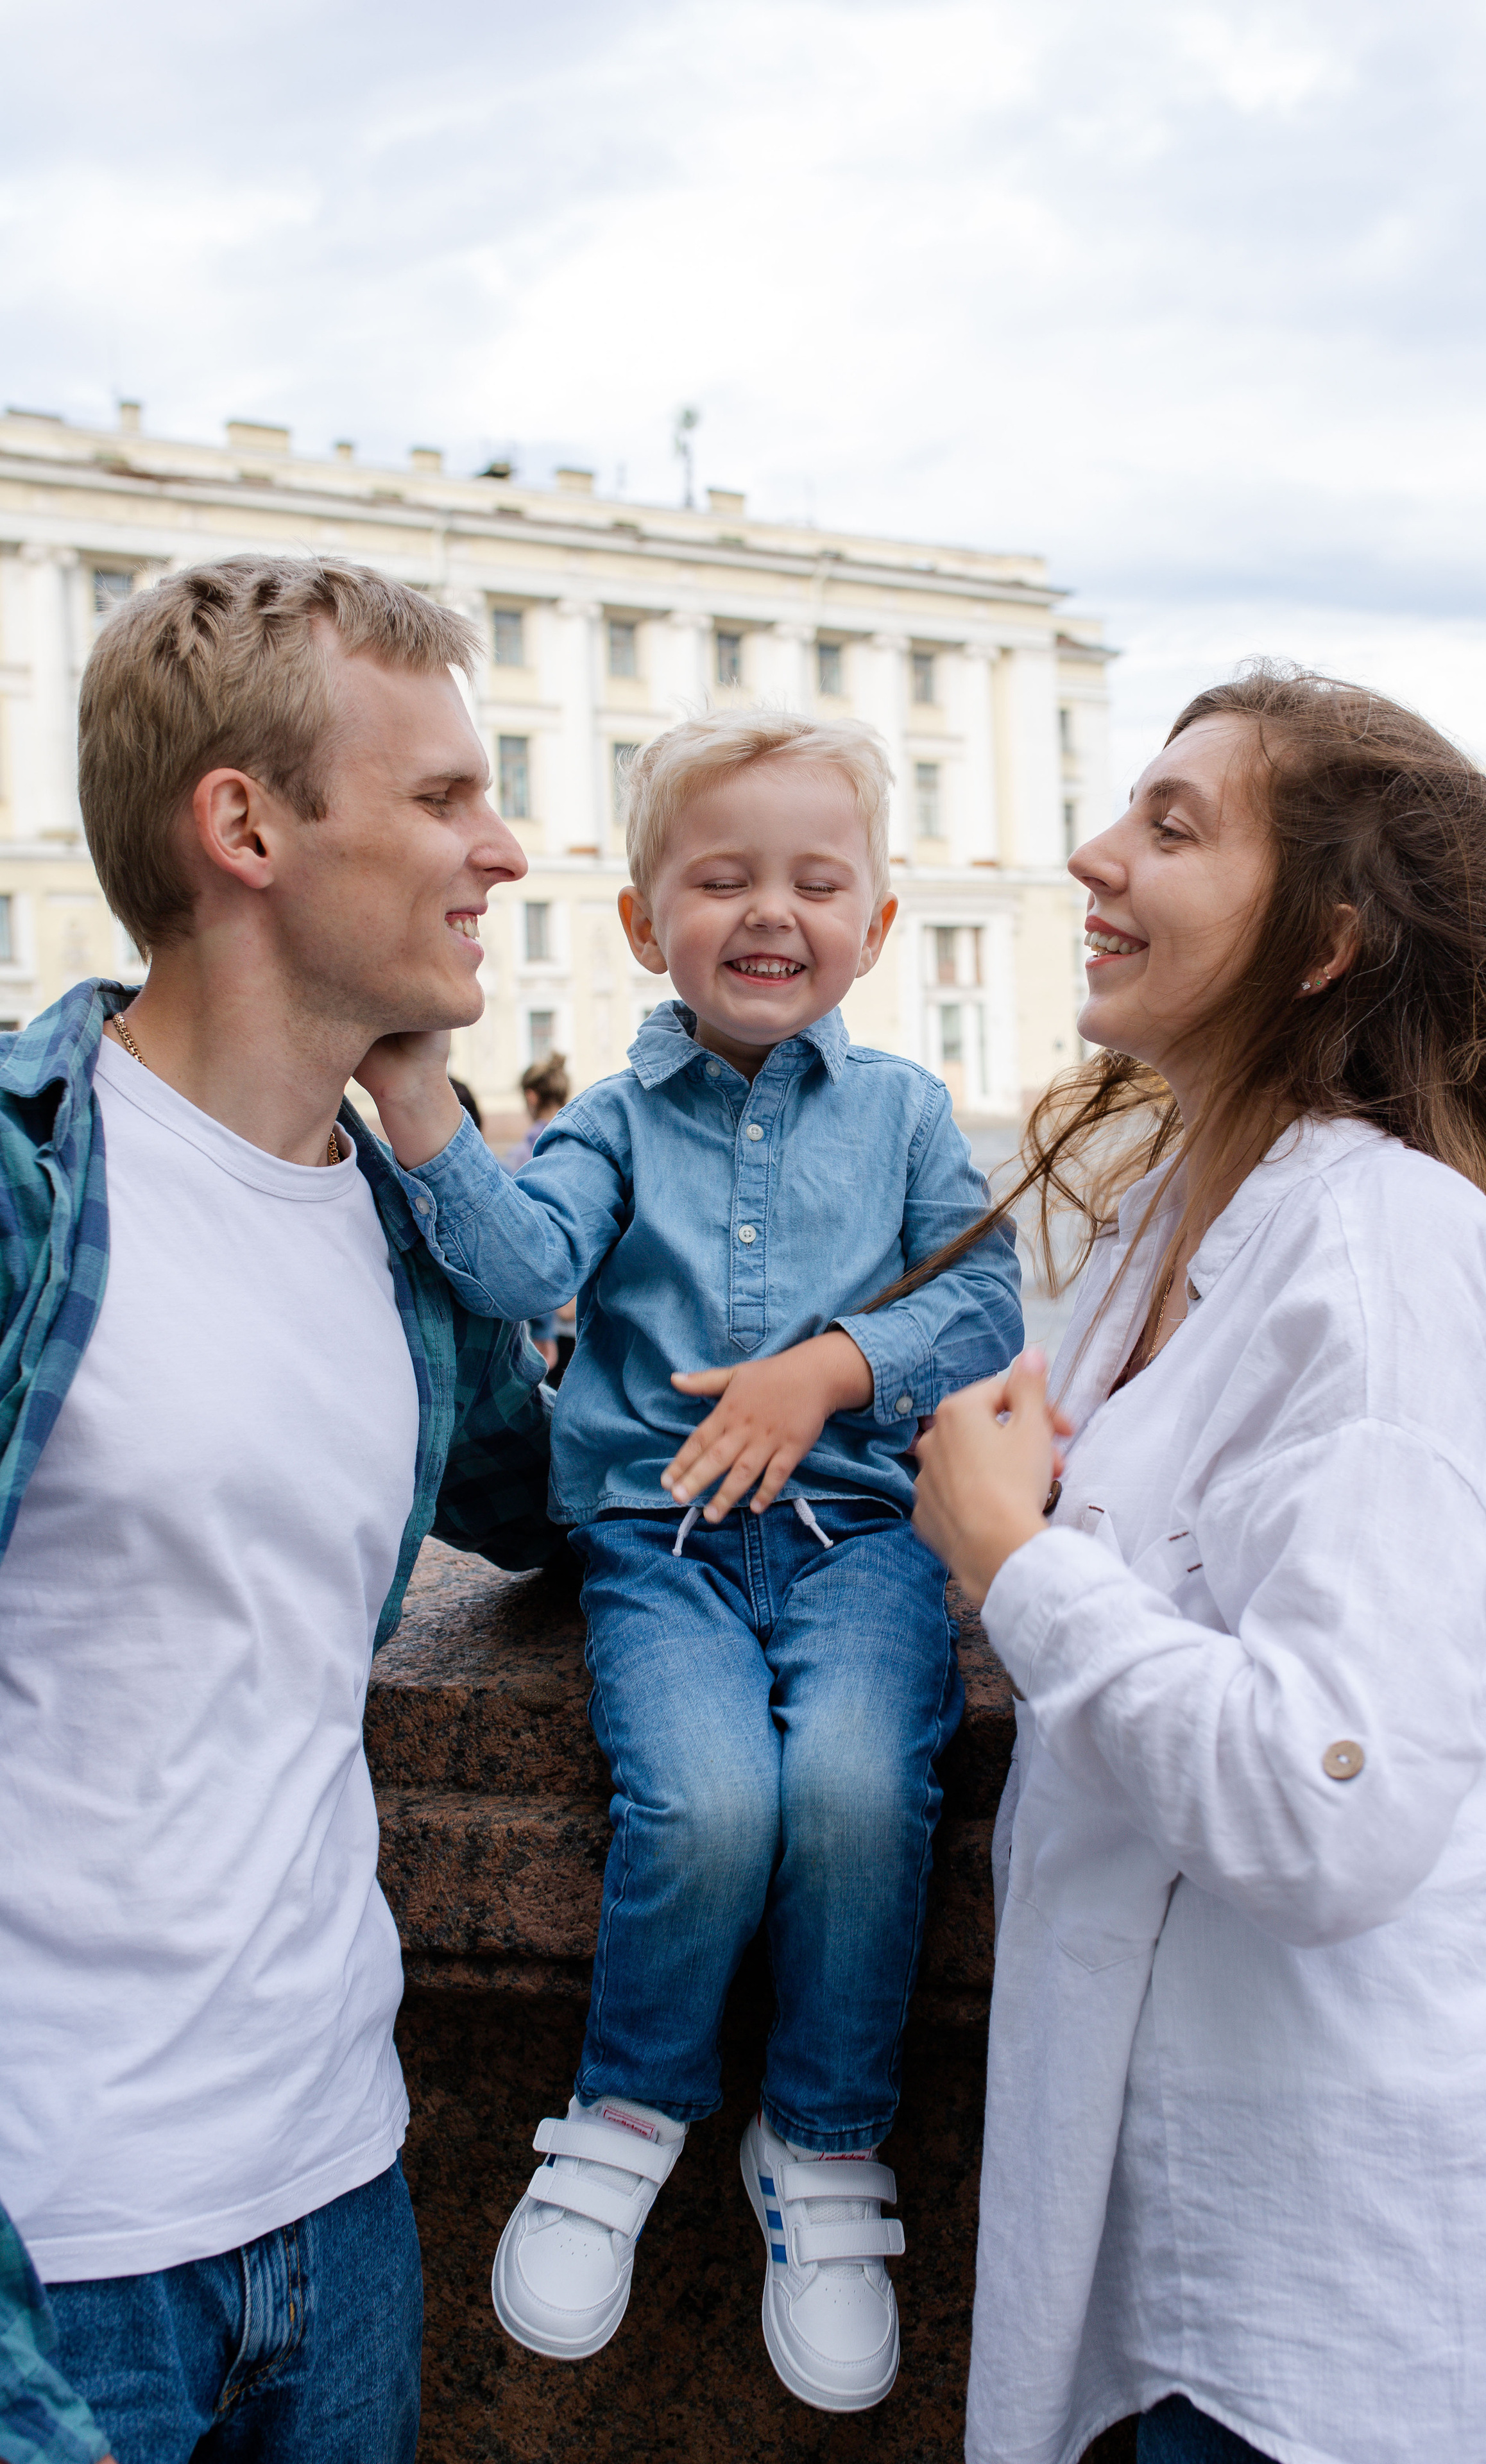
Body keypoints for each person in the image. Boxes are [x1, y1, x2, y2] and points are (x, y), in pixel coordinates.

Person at [910, 666, 1486, 2464]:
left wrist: (1014, 1561)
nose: (1091, 853)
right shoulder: (1179, 1212)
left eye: (1172, 825)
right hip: (1190, 2263)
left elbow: (1331, 1803)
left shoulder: (1382, 1251)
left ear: (1325, 945)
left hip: (1334, 2305)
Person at [357, 708, 1023, 2415]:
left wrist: (836, 1366)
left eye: (816, 880)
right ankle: (625, 2120)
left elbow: (984, 1304)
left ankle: (823, 2141)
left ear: (877, 926)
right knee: (713, 1800)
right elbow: (516, 1264)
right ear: (648, 922)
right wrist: (419, 1090)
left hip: (859, 1539)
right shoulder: (611, 1120)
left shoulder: (904, 1111)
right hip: (657, 1550)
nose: (769, 912)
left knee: (869, 1791)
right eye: (721, 878)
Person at [0, 555, 559, 2464]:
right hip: (57, 2257)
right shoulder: (30, 1194)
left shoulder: (400, 1232)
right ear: (241, 824)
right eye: (439, 798)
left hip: (338, 2193)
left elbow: (573, 1501)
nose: (503, 845)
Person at [505, 1056, 576, 1376]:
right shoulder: (588, 1143)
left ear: (531, 1096)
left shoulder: (522, 1156)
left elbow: (522, 1241)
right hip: (589, 1311)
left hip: (547, 1311)